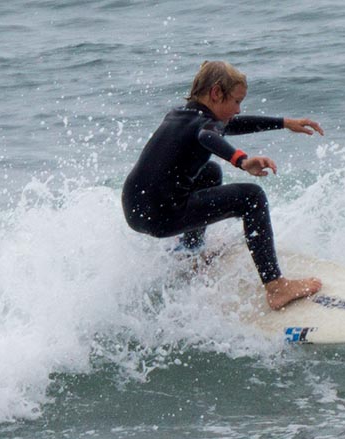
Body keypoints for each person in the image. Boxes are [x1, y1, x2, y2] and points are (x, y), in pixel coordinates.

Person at [122, 61, 323, 310]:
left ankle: (191, 250)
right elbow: (209, 136)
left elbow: (223, 128)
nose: (239, 109)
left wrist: (283, 122)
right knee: (252, 197)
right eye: (237, 101)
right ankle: (276, 287)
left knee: (210, 172)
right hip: (162, 216)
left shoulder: (179, 114)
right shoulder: (205, 127)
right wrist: (243, 161)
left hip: (135, 209)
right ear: (216, 93)